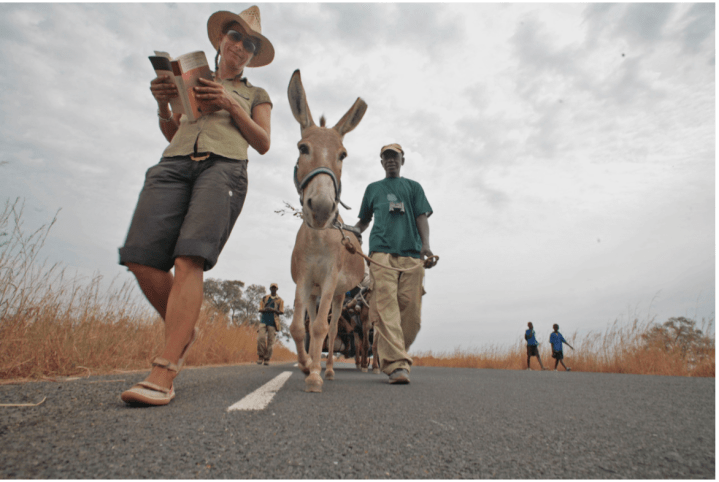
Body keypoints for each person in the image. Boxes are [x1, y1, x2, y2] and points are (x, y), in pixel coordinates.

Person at [118, 6, 275, 406]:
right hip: (174, 163)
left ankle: (164, 370)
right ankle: (184, 331)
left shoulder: (256, 94)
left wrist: (231, 103)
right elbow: (173, 129)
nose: (240, 45)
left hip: (223, 169)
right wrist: (164, 104)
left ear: (253, 56)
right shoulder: (194, 81)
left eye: (249, 44)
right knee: (141, 257)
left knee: (189, 258)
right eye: (235, 37)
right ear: (221, 41)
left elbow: (263, 142)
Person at [354, 143, 436, 384]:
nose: (390, 161)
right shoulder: (373, 189)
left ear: (402, 161)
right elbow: (363, 221)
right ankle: (397, 365)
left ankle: (392, 350)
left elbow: (422, 217)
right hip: (381, 252)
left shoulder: (413, 187)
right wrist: (352, 232)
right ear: (381, 162)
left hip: (411, 253)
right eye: (386, 157)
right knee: (386, 304)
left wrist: (426, 246)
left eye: (395, 157)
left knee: (411, 312)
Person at [257, 283, 284, 365]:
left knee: (270, 342)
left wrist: (273, 310)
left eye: (274, 288)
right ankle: (261, 356)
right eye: (272, 288)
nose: (273, 289)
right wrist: (266, 309)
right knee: (260, 338)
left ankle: (267, 358)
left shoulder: (280, 300)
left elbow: (281, 311)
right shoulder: (265, 298)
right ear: (270, 289)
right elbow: (260, 309)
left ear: (277, 289)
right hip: (263, 320)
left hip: (273, 322)